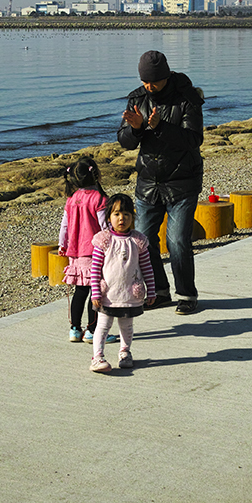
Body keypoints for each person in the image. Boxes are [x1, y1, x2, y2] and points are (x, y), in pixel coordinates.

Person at [117, 50, 204, 315]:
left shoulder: (187, 97)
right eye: (144, 81)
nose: (148, 86)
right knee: (143, 240)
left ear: (165, 76)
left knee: (177, 241)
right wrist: (136, 129)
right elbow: (124, 141)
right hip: (148, 183)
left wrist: (160, 127)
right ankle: (159, 291)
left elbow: (193, 140)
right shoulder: (137, 98)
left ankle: (187, 294)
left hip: (182, 181)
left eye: (153, 81)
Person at [89, 194, 156, 373]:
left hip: (129, 294)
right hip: (107, 295)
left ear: (133, 217)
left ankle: (125, 352)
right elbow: (94, 269)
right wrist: (95, 292)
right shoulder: (103, 240)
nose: (122, 218)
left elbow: (147, 267)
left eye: (126, 214)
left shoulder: (138, 241)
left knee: (127, 326)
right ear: (109, 217)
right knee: (103, 326)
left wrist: (151, 291)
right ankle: (97, 357)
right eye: (117, 214)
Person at [57, 156, 115, 344]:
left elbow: (64, 226)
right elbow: (104, 225)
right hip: (94, 252)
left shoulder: (72, 199)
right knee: (96, 291)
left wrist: (62, 244)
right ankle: (92, 330)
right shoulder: (99, 198)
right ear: (95, 174)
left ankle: (75, 329)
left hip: (75, 251)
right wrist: (112, 243)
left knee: (80, 291)